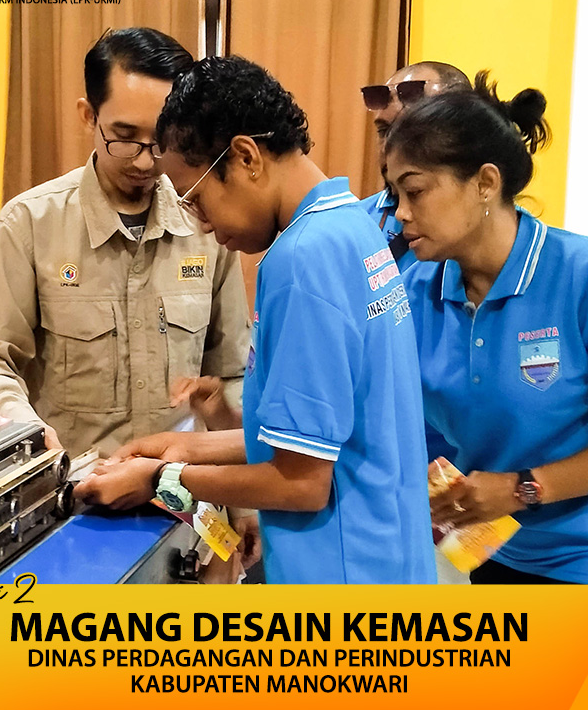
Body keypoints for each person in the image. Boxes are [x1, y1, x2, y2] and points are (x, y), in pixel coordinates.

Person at [75, 55, 436, 585]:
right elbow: (317, 437)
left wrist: (162, 478)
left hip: (340, 573)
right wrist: (181, 447)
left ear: (245, 157)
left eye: (197, 199)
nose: (203, 225)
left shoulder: (301, 259)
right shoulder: (354, 225)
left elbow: (301, 483)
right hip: (390, 556)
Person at [384, 72, 588, 583]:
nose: (400, 213)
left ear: (485, 184)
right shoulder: (413, 290)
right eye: (395, 194)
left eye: (415, 191)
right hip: (499, 555)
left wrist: (523, 488)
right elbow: (407, 420)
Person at [0, 28, 250, 458]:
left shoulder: (206, 225)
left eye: (161, 141)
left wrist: (231, 441)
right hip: (71, 485)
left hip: (180, 484)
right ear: (89, 116)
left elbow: (233, 371)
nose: (145, 160)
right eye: (124, 136)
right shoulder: (30, 224)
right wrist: (25, 431)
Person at [359, 61, 470, 266]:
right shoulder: (356, 223)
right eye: (384, 131)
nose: (390, 149)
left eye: (408, 132)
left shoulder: (493, 232)